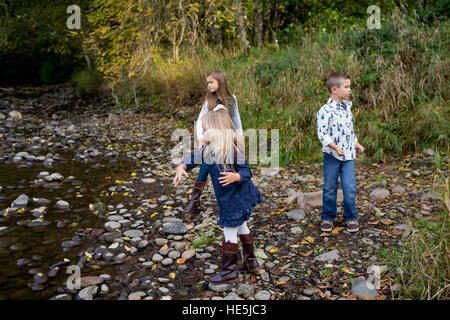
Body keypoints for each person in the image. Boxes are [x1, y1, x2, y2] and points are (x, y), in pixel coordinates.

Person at [173, 108, 261, 284]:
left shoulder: (232, 149)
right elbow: (193, 159)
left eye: (204, 129)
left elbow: (246, 171)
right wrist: (182, 167)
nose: (202, 133)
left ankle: (229, 271)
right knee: (242, 226)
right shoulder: (208, 150)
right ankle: (252, 262)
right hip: (230, 197)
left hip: (236, 197)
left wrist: (236, 176)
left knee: (230, 230)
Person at [182, 70, 244, 219]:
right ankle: (194, 200)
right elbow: (200, 121)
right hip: (212, 141)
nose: (208, 85)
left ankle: (234, 199)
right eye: (207, 83)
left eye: (211, 82)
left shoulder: (232, 99)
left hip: (228, 140)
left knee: (232, 168)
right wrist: (201, 139)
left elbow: (237, 122)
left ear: (220, 82)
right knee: (206, 164)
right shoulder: (208, 101)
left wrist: (240, 140)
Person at [316, 72, 365, 233]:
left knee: (349, 187)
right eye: (347, 87)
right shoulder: (325, 110)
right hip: (332, 155)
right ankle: (328, 217)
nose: (350, 90)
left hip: (349, 155)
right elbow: (322, 133)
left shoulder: (347, 108)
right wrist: (335, 147)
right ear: (335, 89)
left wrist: (356, 143)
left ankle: (351, 217)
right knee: (330, 187)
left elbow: (349, 131)